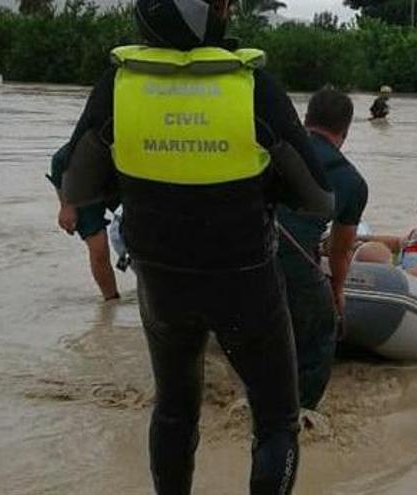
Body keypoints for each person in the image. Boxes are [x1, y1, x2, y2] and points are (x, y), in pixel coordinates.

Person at [56, 0, 334, 492]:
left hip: (162, 281)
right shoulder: (253, 88)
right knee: (275, 420)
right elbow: (318, 199)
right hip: (246, 280)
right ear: (214, 16)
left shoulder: (117, 86)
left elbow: (75, 187)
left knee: (174, 410)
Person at [277, 88, 368, 412]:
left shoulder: (271, 149)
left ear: (305, 119)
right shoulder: (351, 180)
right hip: (292, 263)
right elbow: (339, 251)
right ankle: (299, 414)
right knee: (320, 332)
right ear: (345, 131)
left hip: (237, 253)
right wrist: (337, 291)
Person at [47, 143, 121, 301]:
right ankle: (111, 302)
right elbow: (59, 161)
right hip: (82, 190)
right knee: (99, 249)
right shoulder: (77, 148)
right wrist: (65, 206)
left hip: (117, 184)